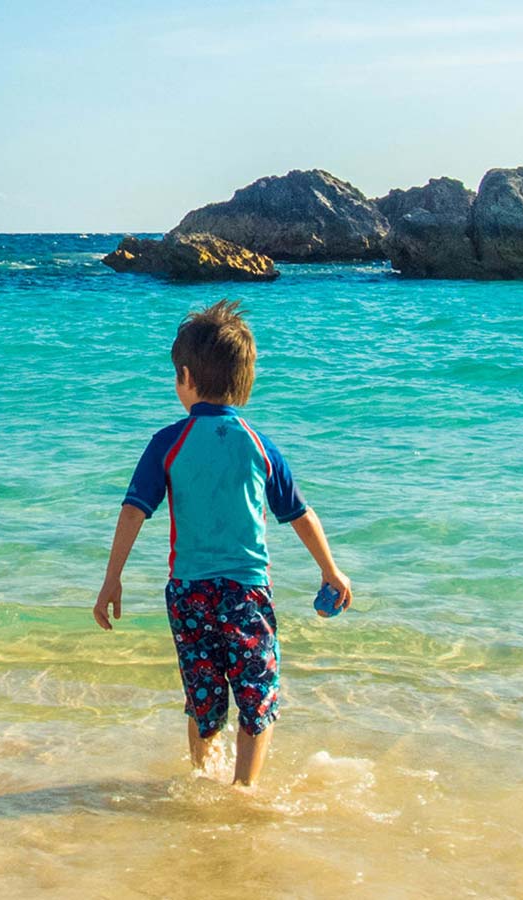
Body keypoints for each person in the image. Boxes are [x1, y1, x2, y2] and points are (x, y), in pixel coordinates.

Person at [93, 299, 352, 787]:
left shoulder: (167, 441)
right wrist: (330, 570)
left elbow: (134, 511)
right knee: (257, 695)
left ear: (186, 377)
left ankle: (202, 779)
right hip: (245, 593)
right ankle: (244, 791)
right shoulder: (258, 443)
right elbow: (298, 513)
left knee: (203, 696)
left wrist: (112, 580)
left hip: (188, 593)